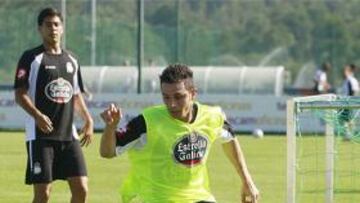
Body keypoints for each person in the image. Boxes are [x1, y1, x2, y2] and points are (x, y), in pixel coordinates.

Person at [100, 64, 259, 203]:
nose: (172, 104)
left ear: (193, 93)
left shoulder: (212, 117)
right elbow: (107, 152)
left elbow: (230, 139)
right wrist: (110, 127)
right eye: (166, 97)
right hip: (157, 198)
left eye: (179, 96)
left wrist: (247, 180)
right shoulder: (146, 122)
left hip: (198, 197)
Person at [14, 7, 93, 203]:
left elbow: (75, 94)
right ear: (40, 29)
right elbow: (19, 94)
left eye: (56, 24)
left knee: (81, 189)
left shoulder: (72, 60)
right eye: (48, 25)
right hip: (41, 137)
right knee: (43, 194)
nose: (53, 29)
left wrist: (88, 119)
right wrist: (38, 116)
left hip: (68, 135)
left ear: (62, 28)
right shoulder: (31, 58)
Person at [339, 64, 359, 140]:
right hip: (344, 102)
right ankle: (349, 135)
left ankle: (349, 135)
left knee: (346, 119)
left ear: (349, 72)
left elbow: (355, 91)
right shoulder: (346, 80)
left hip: (349, 102)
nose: (343, 73)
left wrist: (351, 101)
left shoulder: (351, 80)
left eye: (345, 71)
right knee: (345, 119)